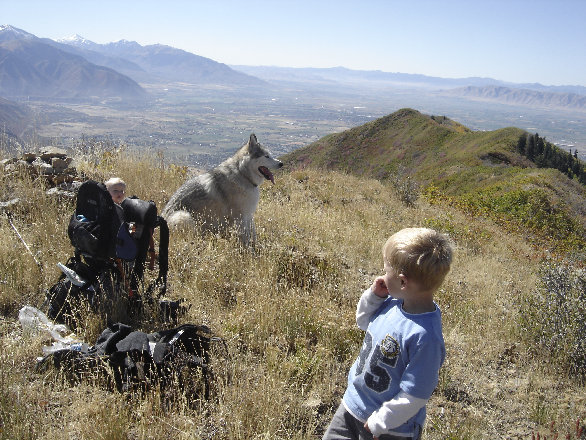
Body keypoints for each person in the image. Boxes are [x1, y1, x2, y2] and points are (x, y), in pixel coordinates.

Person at [323, 227, 454, 440]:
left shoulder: (425, 337)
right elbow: (363, 322)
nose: (383, 275)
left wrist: (380, 421)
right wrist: (374, 297)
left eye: (386, 270)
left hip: (388, 429)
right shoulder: (392, 302)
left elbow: (415, 395)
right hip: (352, 405)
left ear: (403, 282)